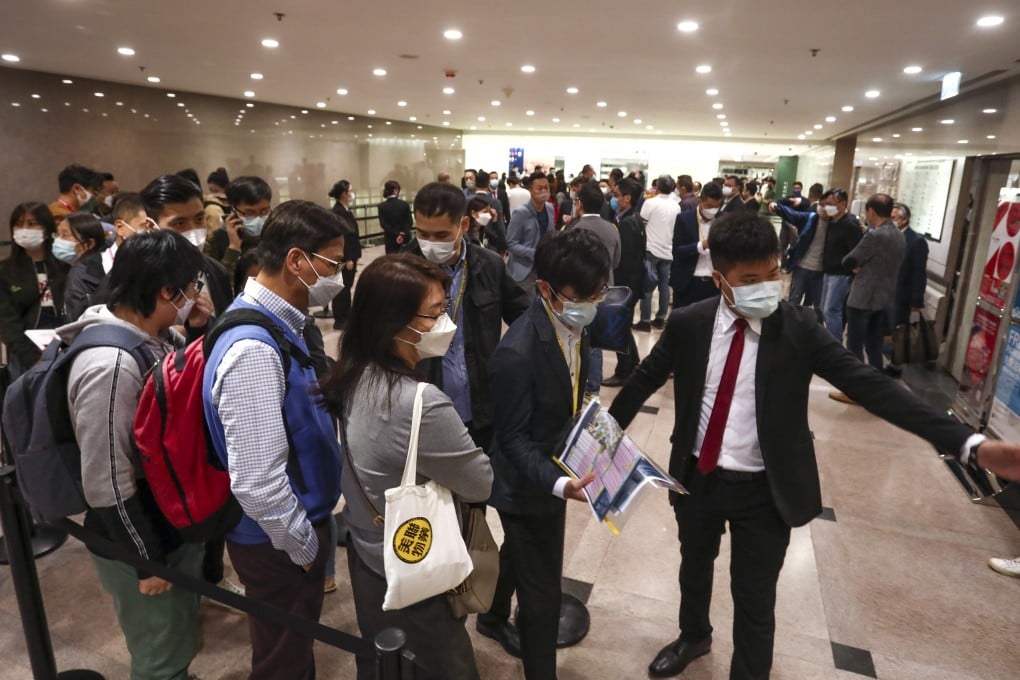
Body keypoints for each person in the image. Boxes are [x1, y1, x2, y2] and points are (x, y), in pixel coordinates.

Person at [607, 209, 1020, 679]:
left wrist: (969, 442)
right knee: (693, 568)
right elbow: (641, 381)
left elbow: (871, 385)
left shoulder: (798, 328)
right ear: (719, 279)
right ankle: (694, 635)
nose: (766, 286)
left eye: (773, 274)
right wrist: (601, 446)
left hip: (766, 490)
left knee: (755, 599)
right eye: (750, 279)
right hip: (697, 477)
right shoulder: (689, 322)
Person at [319, 253, 493, 679]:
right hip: (416, 569)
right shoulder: (419, 402)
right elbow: (480, 482)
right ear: (394, 322)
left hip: (368, 555)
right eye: (434, 314)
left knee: (383, 663)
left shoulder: (353, 370)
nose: (445, 323)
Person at [203, 200, 346, 680]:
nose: (339, 276)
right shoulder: (253, 350)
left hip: (288, 530)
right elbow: (257, 480)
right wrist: (303, 547)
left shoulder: (280, 322)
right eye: (333, 263)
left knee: (291, 643)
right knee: (281, 657)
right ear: (297, 261)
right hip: (275, 541)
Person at [64, 229, 209, 680]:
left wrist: (200, 329)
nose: (196, 296)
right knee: (159, 653)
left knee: (176, 635)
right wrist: (145, 560)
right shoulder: (109, 365)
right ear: (167, 291)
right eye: (192, 288)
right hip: (140, 537)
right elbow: (107, 480)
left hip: (165, 522)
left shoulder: (150, 335)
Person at [487, 229, 610, 679]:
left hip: (555, 458)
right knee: (542, 597)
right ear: (544, 289)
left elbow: (572, 382)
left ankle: (492, 614)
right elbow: (512, 439)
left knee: (518, 555)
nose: (594, 303)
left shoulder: (574, 323)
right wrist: (559, 483)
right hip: (527, 482)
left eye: (600, 292)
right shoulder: (516, 354)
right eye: (584, 295)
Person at [828, 194, 905, 405]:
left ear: (871, 211)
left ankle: (856, 391)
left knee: (854, 345)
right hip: (883, 298)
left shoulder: (874, 236)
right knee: (874, 345)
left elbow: (849, 260)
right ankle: (876, 388)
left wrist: (855, 266)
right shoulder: (899, 235)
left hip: (863, 298)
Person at [141, 174, 234, 319]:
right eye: (179, 223)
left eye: (199, 219)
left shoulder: (216, 272)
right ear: (152, 227)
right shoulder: (136, 280)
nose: (193, 230)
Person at [0, 202, 69, 377]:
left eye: (32, 224)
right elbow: (7, 321)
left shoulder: (65, 266)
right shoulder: (6, 270)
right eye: (19, 224)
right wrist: (31, 358)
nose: (24, 229)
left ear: (46, 229)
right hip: (25, 354)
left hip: (64, 347)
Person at [568, 180, 622, 394]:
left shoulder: (576, 228)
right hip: (604, 289)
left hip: (579, 292)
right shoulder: (612, 228)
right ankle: (593, 386)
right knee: (596, 341)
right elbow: (617, 261)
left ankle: (580, 384)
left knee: (578, 337)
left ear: (580, 203)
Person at [603, 177, 646, 387]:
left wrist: (617, 288)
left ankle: (624, 371)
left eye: (617, 195)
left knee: (620, 327)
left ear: (627, 198)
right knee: (624, 326)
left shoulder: (628, 223)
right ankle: (633, 363)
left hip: (627, 284)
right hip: (633, 283)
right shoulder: (632, 218)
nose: (613, 198)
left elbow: (625, 260)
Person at [885, 202, 929, 377]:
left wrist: (916, 302)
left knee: (900, 330)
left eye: (894, 218)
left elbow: (919, 274)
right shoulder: (889, 236)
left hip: (902, 294)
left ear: (904, 220)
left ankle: (896, 366)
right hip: (885, 290)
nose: (891, 220)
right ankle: (887, 359)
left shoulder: (916, 241)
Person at [204, 175, 272, 282]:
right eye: (249, 213)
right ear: (234, 210)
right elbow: (218, 285)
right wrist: (233, 248)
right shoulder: (217, 239)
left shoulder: (276, 234)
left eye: (264, 211)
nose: (258, 218)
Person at [817, 188, 863, 340]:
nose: (826, 208)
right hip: (829, 271)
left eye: (830, 204)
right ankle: (830, 340)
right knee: (824, 309)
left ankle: (835, 344)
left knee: (832, 310)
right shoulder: (833, 221)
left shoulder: (850, 224)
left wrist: (850, 269)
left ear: (842, 203)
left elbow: (856, 252)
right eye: (825, 204)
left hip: (841, 274)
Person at [638, 175, 681, 331]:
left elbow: (641, 223)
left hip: (651, 248)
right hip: (668, 250)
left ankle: (645, 320)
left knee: (648, 286)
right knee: (664, 286)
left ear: (657, 187)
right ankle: (661, 318)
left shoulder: (650, 202)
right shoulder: (677, 206)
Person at [670, 181, 723, 308]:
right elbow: (677, 250)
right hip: (688, 282)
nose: (712, 210)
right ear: (700, 200)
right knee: (683, 322)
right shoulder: (684, 219)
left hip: (713, 285)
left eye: (716, 207)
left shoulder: (724, 220)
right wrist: (701, 246)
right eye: (709, 206)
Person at [506, 171, 556, 296]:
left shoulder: (550, 208)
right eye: (539, 188)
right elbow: (511, 243)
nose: (544, 191)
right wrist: (533, 253)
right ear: (530, 190)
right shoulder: (520, 213)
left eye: (546, 187)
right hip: (523, 271)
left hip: (544, 269)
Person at [58, 212, 110, 320]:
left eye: (65, 235)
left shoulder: (81, 273)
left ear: (89, 244)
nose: (58, 241)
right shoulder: (63, 268)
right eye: (58, 235)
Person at [327, 179, 362, 329]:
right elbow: (342, 238)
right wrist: (347, 257)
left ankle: (346, 315)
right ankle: (340, 318)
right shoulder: (338, 212)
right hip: (345, 257)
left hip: (351, 255)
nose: (352, 194)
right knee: (342, 288)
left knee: (346, 287)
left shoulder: (345, 210)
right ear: (343, 194)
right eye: (350, 191)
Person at [377, 179, 414, 254]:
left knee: (392, 261)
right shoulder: (404, 204)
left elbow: (384, 224)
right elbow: (410, 222)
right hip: (405, 238)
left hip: (390, 239)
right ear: (395, 190)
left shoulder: (382, 206)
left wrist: (396, 234)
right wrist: (402, 234)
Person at [202, 167, 231, 234]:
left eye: (216, 191)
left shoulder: (213, 208)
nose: (212, 195)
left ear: (225, 189)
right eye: (211, 191)